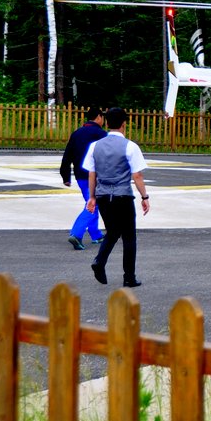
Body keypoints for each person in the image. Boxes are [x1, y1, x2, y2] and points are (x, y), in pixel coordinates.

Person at [83, 107, 150, 287]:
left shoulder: (95, 146)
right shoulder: (130, 146)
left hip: (103, 195)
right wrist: (144, 197)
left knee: (112, 231)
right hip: (122, 196)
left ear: (106, 123)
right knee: (129, 237)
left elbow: (92, 173)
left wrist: (92, 197)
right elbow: (137, 175)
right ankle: (129, 276)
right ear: (124, 124)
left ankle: (100, 261)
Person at [60, 107, 107, 250]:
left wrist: (66, 175)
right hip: (95, 176)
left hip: (80, 176)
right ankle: (76, 233)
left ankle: (96, 234)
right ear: (99, 117)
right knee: (92, 204)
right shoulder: (101, 134)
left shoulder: (77, 133)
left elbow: (67, 155)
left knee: (92, 202)